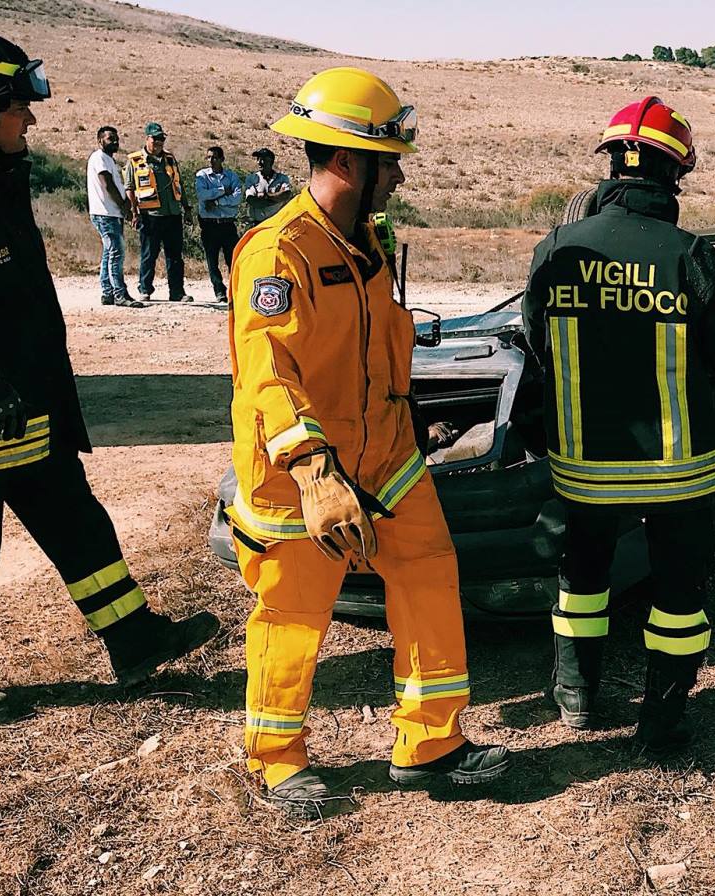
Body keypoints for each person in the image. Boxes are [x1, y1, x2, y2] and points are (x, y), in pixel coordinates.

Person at [0, 29, 218, 723]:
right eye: (18, 107)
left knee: (74, 518)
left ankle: (134, 640)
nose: (31, 119)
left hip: (21, 403)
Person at [227, 66, 508, 816]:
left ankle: (431, 743)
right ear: (348, 160)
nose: (397, 178)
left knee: (428, 574)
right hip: (302, 474)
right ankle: (278, 759)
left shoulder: (369, 242)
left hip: (386, 459)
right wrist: (314, 470)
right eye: (390, 161)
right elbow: (268, 373)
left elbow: (374, 344)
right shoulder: (275, 251)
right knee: (292, 613)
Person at [524, 96, 715, 750]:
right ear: (674, 173)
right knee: (679, 600)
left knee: (581, 587)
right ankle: (660, 723)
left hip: (583, 469)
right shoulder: (691, 257)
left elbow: (535, 346)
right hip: (680, 472)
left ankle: (575, 700)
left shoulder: (554, 249)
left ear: (609, 168)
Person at [123, 122, 190, 302]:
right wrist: (134, 213)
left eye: (161, 138)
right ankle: (145, 289)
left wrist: (187, 208)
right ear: (147, 138)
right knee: (148, 255)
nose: (159, 142)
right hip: (150, 216)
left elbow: (179, 184)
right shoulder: (135, 160)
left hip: (173, 214)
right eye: (155, 138)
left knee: (175, 256)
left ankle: (177, 292)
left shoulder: (170, 159)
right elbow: (129, 188)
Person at [86, 126, 144, 307]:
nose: (115, 142)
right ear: (100, 140)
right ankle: (120, 294)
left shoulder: (109, 160)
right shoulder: (99, 158)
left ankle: (108, 292)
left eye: (116, 138)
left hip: (111, 212)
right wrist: (124, 207)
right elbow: (107, 185)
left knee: (109, 253)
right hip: (105, 213)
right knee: (116, 253)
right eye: (111, 138)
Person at [194, 145, 242, 302]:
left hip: (227, 224)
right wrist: (222, 190)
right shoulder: (202, 175)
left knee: (233, 259)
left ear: (222, 159)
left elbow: (237, 198)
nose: (211, 161)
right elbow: (202, 194)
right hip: (209, 224)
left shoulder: (232, 176)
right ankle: (219, 291)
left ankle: (235, 290)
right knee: (212, 259)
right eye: (208, 157)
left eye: (214, 157)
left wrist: (216, 201)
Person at [243, 148, 292, 224]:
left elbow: (286, 195)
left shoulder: (282, 178)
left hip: (276, 224)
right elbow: (251, 200)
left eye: (262, 159)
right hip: (257, 223)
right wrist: (276, 199)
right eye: (258, 159)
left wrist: (266, 196)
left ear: (271, 161)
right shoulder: (252, 179)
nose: (259, 162)